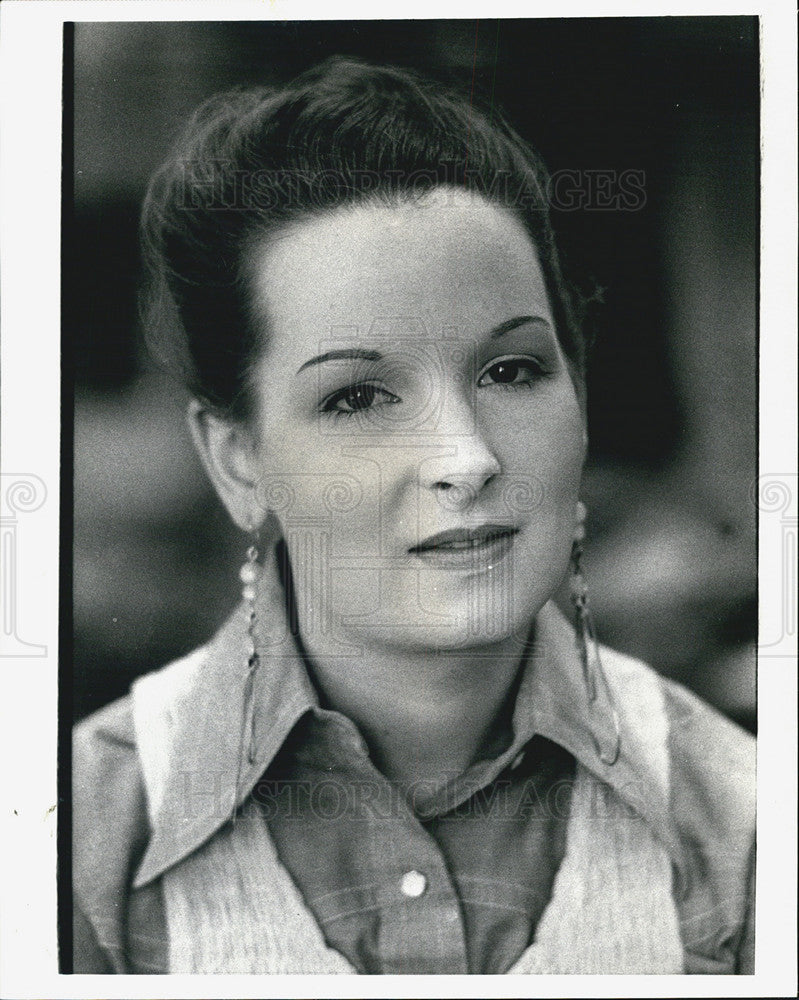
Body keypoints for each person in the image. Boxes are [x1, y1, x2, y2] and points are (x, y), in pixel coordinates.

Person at [72, 57, 755, 975]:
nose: (465, 457)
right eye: (357, 397)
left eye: (512, 372)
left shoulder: (744, 824)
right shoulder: (75, 843)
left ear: (579, 391)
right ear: (238, 460)